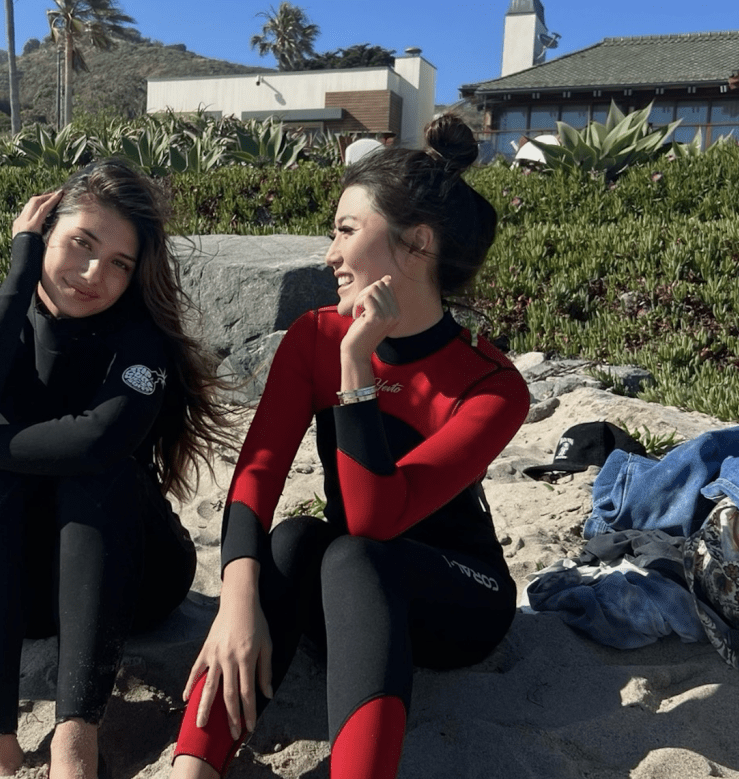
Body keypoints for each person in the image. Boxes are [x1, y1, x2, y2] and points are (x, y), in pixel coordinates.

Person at [170, 115, 530, 779]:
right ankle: (190, 766)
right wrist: (236, 601)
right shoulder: (312, 334)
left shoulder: (492, 384)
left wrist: (357, 364)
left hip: (457, 597)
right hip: (353, 589)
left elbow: (375, 520)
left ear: (416, 244)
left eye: (345, 230)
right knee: (294, 542)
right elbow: (258, 470)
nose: (329, 254)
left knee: (358, 552)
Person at [0, 159, 233, 779]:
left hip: (137, 580)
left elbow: (93, 445)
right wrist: (20, 275)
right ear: (44, 231)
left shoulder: (137, 341)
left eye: (119, 264)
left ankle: (75, 743)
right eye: (81, 243)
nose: (93, 274)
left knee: (94, 471)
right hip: (24, 598)